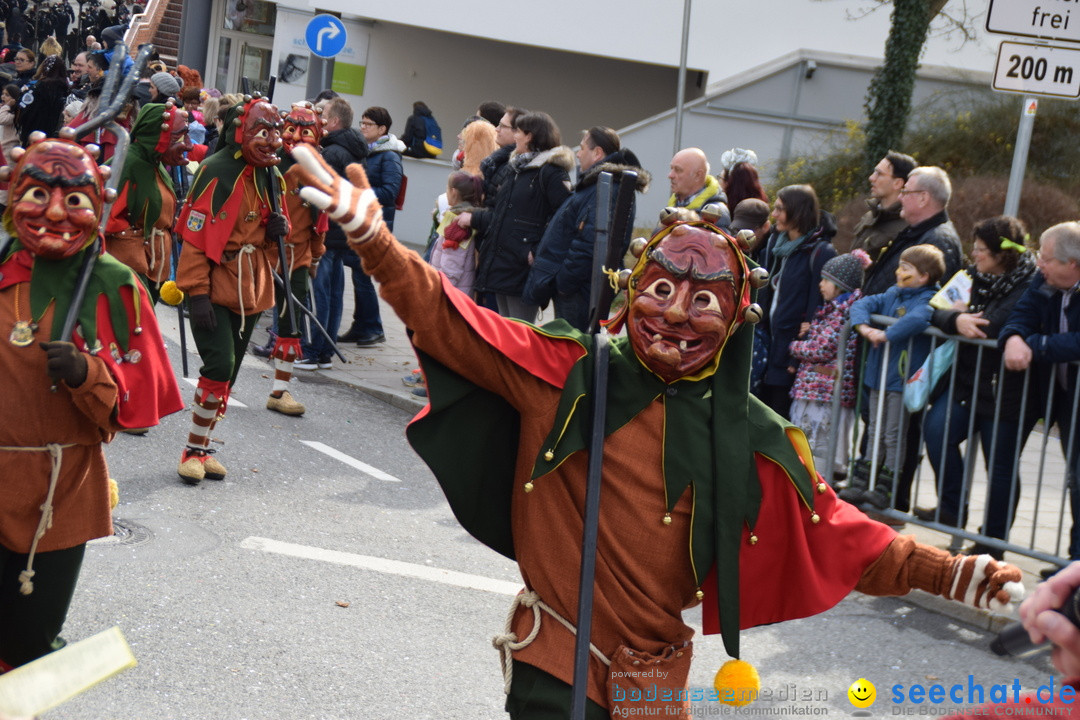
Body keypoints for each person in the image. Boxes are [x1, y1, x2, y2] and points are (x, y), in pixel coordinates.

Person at [288, 144, 1024, 718]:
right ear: (633, 292)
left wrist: (956, 574)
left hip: (653, 684)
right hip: (556, 661)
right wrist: (376, 242)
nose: (676, 314)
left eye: (704, 299)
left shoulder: (751, 434)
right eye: (664, 290)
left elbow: (842, 533)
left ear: (736, 322)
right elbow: (454, 320)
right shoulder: (571, 372)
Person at [0, 135, 182, 671]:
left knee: (28, 648)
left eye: (75, 199)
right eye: (37, 193)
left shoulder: (112, 285)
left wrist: (89, 374)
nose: (55, 211)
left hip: (57, 493)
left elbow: (134, 403)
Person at [173, 95, 289, 485]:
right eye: (263, 131)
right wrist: (197, 294)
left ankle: (204, 449)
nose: (272, 140)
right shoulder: (215, 170)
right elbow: (193, 239)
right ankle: (191, 449)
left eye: (277, 132)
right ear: (241, 132)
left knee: (230, 375)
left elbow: (272, 238)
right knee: (219, 366)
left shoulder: (273, 175)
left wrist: (278, 233)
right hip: (214, 285)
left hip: (252, 289)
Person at [915, 217, 1038, 556]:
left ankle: (992, 541)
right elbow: (932, 308)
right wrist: (955, 319)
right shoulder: (970, 275)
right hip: (967, 381)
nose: (975, 254)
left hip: (1007, 390)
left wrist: (964, 316)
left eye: (982, 250)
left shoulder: (1028, 281)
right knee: (936, 430)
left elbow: (995, 325)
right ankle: (952, 508)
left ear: (1002, 254)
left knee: (999, 466)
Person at [1001, 222, 1080, 575]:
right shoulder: (1045, 280)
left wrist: (1036, 346)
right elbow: (1021, 315)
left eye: (1046, 259)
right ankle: (1073, 566)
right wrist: (1015, 337)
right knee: (1074, 478)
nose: (1039, 266)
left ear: (1073, 265)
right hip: (1061, 394)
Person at [843, 244, 945, 511]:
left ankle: (886, 485)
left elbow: (920, 318)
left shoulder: (927, 299)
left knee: (892, 432)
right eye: (900, 266)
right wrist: (864, 326)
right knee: (875, 428)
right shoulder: (892, 293)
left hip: (901, 379)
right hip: (878, 374)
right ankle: (864, 479)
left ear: (923, 276)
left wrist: (887, 334)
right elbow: (863, 303)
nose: (899, 272)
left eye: (906, 268)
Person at [522, 126, 650, 331]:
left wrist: (564, 283)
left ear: (598, 153)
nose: (578, 154)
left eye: (582, 148)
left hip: (578, 292)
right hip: (575, 289)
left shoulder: (609, 187)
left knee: (574, 351)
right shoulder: (595, 184)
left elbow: (591, 244)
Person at [459, 110, 573, 322]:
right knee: (502, 329)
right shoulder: (516, 168)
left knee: (519, 331)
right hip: (503, 263)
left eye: (518, 131)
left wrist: (535, 252)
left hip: (521, 265)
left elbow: (564, 219)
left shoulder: (551, 172)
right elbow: (500, 215)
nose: (515, 137)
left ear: (529, 136)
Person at [264, 101, 326, 414]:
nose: (297, 138)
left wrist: (314, 257)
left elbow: (319, 222)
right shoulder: (268, 165)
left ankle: (279, 391)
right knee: (244, 315)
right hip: (262, 254)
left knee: (291, 323)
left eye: (306, 132)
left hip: (297, 256)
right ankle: (222, 381)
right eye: (292, 130)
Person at [755, 184, 837, 419]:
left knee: (780, 421)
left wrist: (796, 355)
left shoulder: (821, 252)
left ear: (798, 212)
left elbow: (817, 309)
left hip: (791, 356)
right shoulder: (774, 245)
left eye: (780, 209)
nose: (774, 215)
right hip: (766, 348)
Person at [788, 250, 871, 481]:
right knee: (809, 448)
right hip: (817, 389)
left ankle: (819, 492)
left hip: (825, 392)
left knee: (820, 449)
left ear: (840, 285)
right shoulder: (832, 310)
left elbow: (821, 348)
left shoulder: (842, 312)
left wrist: (793, 346)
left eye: (826, 281)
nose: (821, 285)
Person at [298, 96, 366, 368]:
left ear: (334, 121)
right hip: (345, 229)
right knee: (335, 293)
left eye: (324, 113)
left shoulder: (332, 153)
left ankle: (314, 350)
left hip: (328, 230)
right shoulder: (353, 150)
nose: (319, 117)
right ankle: (326, 350)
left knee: (320, 292)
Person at [103, 102, 191, 304]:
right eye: (177, 138)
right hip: (129, 263)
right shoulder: (127, 164)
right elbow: (106, 217)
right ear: (156, 135)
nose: (188, 145)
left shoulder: (155, 164)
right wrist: (133, 241)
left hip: (153, 260)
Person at [336, 105, 399, 346]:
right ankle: (361, 325)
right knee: (359, 275)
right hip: (362, 222)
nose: (362, 128)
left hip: (375, 224)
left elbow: (390, 192)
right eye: (361, 123)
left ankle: (372, 327)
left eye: (368, 124)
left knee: (363, 276)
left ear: (382, 129)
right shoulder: (368, 151)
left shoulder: (389, 155)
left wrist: (360, 190)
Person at [852, 150, 917, 266]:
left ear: (897, 183)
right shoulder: (870, 216)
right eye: (874, 172)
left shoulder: (906, 228)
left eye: (879, 174)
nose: (871, 178)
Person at [429, 170, 483, 296]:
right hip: (457, 292)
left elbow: (451, 269)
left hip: (450, 295)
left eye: (447, 189)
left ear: (453, 192)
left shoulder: (458, 225)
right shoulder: (464, 218)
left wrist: (438, 293)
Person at [666, 147, 728, 226]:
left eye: (678, 170)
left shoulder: (716, 214)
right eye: (671, 168)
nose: (670, 175)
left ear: (698, 175)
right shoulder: (673, 206)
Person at [16, 54, 66, 146]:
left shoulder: (39, 87)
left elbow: (25, 109)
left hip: (35, 133)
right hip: (54, 136)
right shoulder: (65, 88)